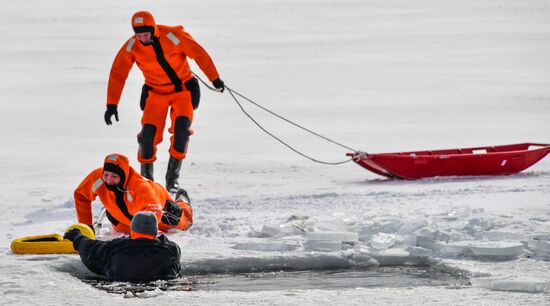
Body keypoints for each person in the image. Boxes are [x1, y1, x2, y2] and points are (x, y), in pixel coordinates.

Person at [104, 10, 225, 192]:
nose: (143, 38)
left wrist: (214, 78)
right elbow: (118, 73)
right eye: (138, 35)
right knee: (147, 139)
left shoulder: (173, 36)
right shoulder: (131, 46)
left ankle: (172, 180)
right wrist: (112, 104)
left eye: (146, 34)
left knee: (181, 132)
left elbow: (199, 53)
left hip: (182, 91)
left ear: (153, 29)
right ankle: (147, 182)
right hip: (156, 93)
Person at [74, 153, 193, 234]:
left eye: (115, 176)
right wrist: (86, 227)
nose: (109, 180)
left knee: (183, 222)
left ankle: (183, 202)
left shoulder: (139, 188)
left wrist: (141, 240)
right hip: (125, 217)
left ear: (123, 175)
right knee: (122, 229)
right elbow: (81, 196)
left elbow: (154, 212)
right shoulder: (98, 178)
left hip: (160, 213)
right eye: (106, 175)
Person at [64, 211, 181, 282]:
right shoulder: (171, 250)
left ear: (132, 229)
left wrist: (77, 237)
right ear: (155, 231)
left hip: (119, 290)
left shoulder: (115, 247)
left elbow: (91, 250)